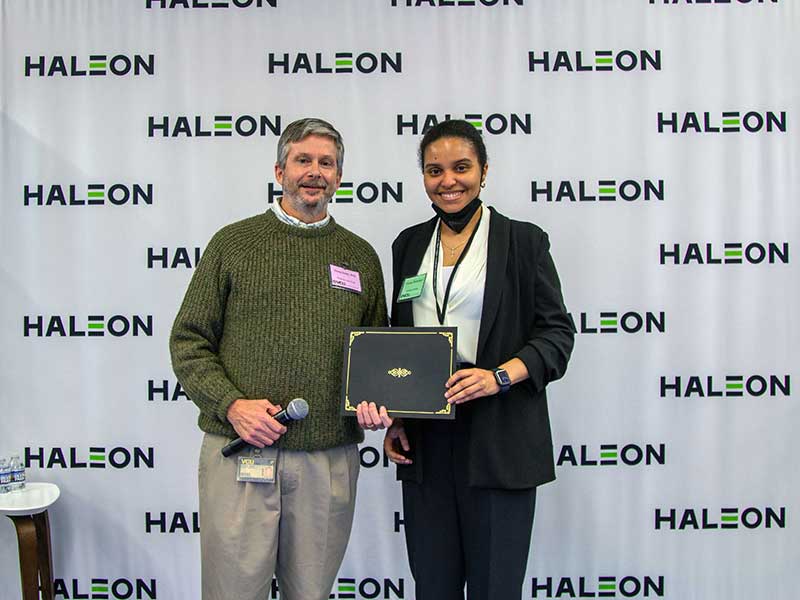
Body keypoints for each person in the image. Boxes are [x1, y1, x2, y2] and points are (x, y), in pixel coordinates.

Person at [170, 118, 388, 600]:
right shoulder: (234, 244)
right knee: (232, 592)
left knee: (311, 593)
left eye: (326, 163)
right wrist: (231, 404)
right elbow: (188, 339)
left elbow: (378, 354)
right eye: (303, 160)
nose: (315, 172)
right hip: (242, 450)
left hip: (327, 459)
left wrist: (380, 402)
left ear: (339, 176)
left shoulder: (360, 257)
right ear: (279, 170)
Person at [357, 119, 575, 599]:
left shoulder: (523, 242)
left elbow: (557, 335)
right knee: (432, 586)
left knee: (495, 588)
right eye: (435, 170)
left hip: (501, 437)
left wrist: (498, 377)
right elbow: (401, 339)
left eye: (461, 167)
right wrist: (397, 418)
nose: (448, 181)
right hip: (427, 441)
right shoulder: (409, 244)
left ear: (484, 170)